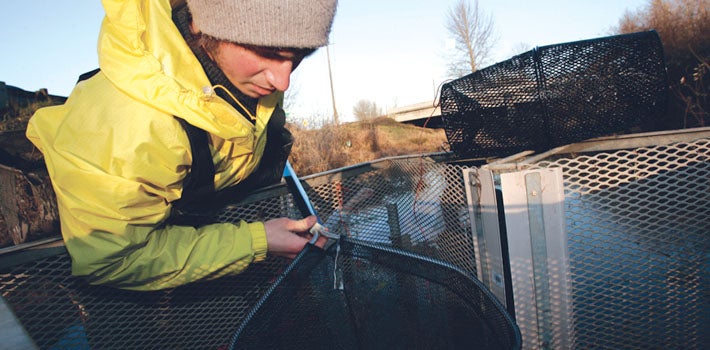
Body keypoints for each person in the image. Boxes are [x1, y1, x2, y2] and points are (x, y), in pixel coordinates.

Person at [25, 0, 337, 291]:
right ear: (203, 25)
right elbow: (112, 259)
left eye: (298, 57)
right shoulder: (133, 127)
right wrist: (258, 241)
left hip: (206, 242)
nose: (283, 82)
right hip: (131, 289)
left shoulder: (246, 73)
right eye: (269, 53)